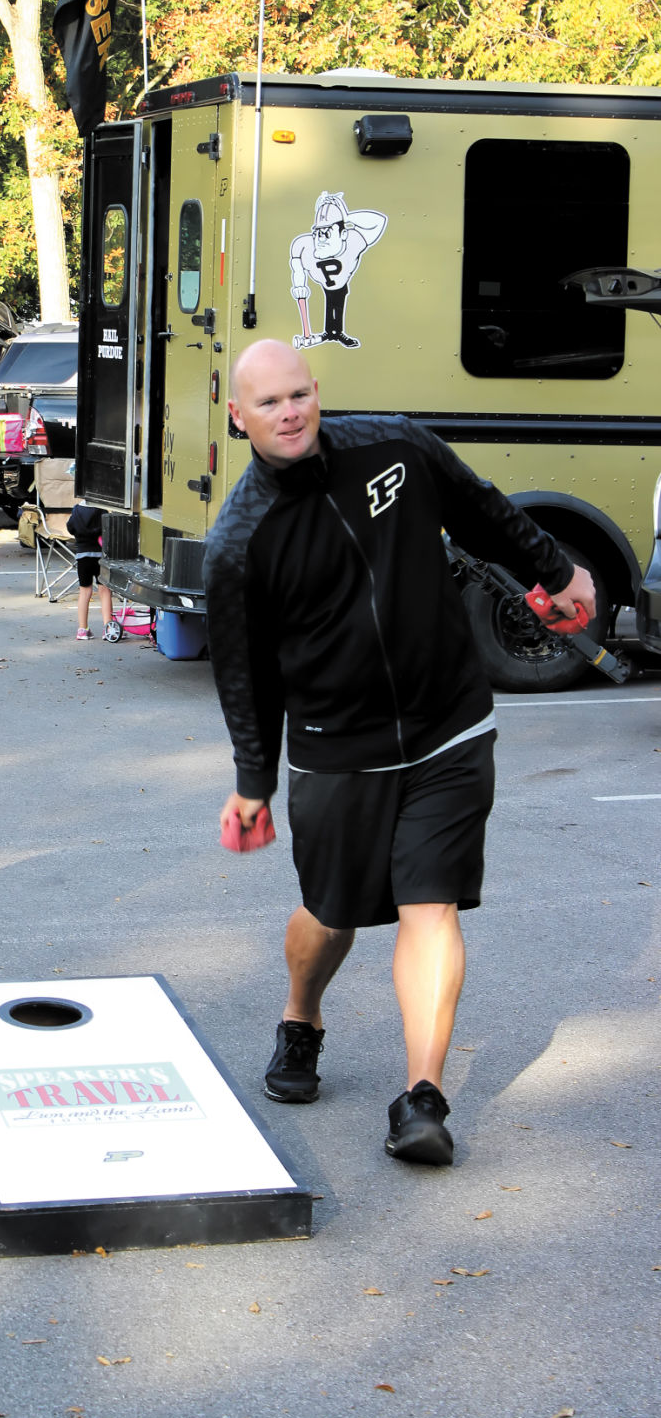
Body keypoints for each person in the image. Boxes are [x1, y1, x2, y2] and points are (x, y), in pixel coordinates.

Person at [204, 340, 594, 1166]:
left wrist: (555, 569)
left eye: (298, 394)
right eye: (268, 403)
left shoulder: (396, 445)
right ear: (237, 416)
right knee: (330, 915)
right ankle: (301, 1016)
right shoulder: (240, 540)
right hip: (337, 749)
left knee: (429, 905)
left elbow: (482, 507)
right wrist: (251, 783)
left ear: (316, 390)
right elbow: (244, 675)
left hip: (446, 723)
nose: (289, 414)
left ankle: (422, 1098)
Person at [66, 501, 120, 642]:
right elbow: (108, 529)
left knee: (85, 592)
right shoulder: (101, 509)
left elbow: (70, 527)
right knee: (105, 591)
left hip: (82, 556)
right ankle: (108, 628)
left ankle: (82, 629)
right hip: (100, 556)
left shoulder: (76, 510)